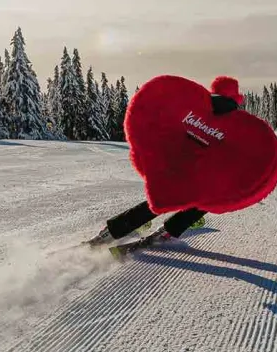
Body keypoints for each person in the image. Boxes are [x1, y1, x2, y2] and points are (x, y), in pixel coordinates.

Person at [86, 80, 245, 247]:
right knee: (205, 199)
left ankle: (110, 233)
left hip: (177, 163)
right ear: (235, 99)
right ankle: (167, 232)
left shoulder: (197, 108)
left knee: (158, 201)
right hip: (203, 171)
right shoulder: (233, 123)